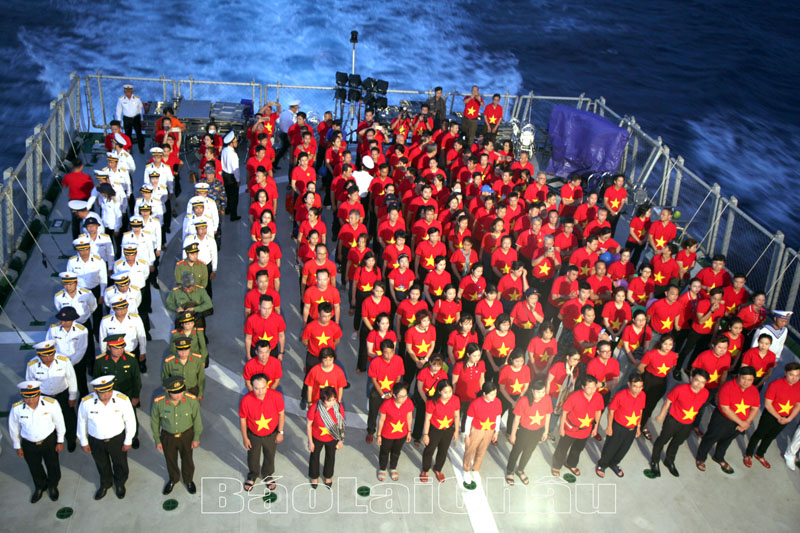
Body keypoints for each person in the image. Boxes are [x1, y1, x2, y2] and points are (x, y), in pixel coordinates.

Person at [77, 375, 136, 500]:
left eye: (109, 391)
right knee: (101, 463)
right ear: (95, 391)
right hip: (96, 440)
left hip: (117, 439)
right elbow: (82, 422)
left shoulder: (122, 400)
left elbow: (130, 420)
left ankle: (120, 483)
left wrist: (128, 440)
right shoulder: (86, 402)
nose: (107, 395)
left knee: (120, 463)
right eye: (102, 392)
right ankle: (106, 483)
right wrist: (83, 441)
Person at [8, 380, 66, 503]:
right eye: (26, 397)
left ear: (39, 394)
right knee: (34, 467)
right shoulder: (17, 408)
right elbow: (14, 428)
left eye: (33, 396)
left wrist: (60, 441)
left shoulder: (51, 404)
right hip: (29, 443)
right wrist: (17, 445)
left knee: (53, 465)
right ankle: (40, 486)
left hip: (49, 441)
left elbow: (59, 423)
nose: (30, 400)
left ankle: (53, 485)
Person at [696, 366, 760, 474]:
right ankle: (701, 458)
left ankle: (719, 457)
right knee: (711, 438)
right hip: (722, 419)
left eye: (750, 380)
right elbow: (725, 408)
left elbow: (755, 408)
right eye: (744, 378)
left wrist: (747, 422)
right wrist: (742, 423)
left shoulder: (754, 391)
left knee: (727, 441)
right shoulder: (727, 387)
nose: (746, 382)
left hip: (740, 423)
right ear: (738, 376)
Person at [649, 368, 709, 477]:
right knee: (662, 440)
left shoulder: (705, 393)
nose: (699, 384)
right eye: (697, 380)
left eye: (702, 382)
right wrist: (662, 415)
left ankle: (669, 461)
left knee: (676, 443)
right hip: (673, 421)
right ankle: (655, 461)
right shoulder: (680, 389)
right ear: (691, 378)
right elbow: (668, 401)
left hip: (688, 423)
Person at [151, 376, 202, 495]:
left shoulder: (191, 400)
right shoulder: (159, 402)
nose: (179, 395)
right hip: (168, 436)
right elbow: (155, 422)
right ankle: (173, 479)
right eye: (175, 393)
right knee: (170, 459)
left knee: (187, 459)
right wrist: (157, 440)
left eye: (181, 391)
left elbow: (197, 420)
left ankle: (188, 480)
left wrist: (196, 437)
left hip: (186, 435)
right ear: (168, 391)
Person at [25, 341, 77, 452]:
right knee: (49, 419)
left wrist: (72, 396)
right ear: (39, 355)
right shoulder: (32, 365)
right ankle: (55, 441)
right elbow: (30, 383)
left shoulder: (64, 361)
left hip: (63, 394)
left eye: (51, 354)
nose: (49, 358)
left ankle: (71, 439)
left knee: (69, 418)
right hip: (45, 397)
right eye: (45, 356)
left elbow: (71, 378)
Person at [745, 362, 800, 468]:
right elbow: (768, 404)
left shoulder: (799, 387)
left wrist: (789, 419)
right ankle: (748, 454)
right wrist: (779, 417)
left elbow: (798, 405)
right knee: (759, 434)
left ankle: (760, 454)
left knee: (771, 437)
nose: (794, 378)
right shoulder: (775, 384)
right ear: (786, 373)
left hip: (786, 418)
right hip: (771, 415)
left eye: (797, 375)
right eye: (791, 375)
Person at [239, 373, 285, 492]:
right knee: (253, 457)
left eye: (263, 388)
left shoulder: (276, 396)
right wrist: (245, 437)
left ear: (267, 385)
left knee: (270, 455)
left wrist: (280, 432)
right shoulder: (246, 400)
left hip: (271, 434)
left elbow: (281, 414)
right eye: (256, 388)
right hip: (253, 435)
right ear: (251, 386)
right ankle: (252, 475)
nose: (260, 391)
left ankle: (267, 475)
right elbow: (243, 419)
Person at [551, 375, 604, 477]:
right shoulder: (574, 397)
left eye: (594, 387)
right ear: (583, 387)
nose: (592, 390)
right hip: (571, 429)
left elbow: (598, 411)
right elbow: (564, 412)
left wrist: (595, 427)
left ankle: (571, 464)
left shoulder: (598, 397)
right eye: (589, 387)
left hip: (585, 430)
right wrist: (561, 428)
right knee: (562, 448)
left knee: (577, 449)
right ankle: (556, 466)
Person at [596, 373, 645, 477]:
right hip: (618, 427)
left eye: (640, 387)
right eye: (635, 386)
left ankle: (614, 463)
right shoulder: (620, 395)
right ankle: (602, 464)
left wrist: (638, 427)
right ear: (629, 384)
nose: (638, 390)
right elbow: (611, 411)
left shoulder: (643, 395)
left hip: (632, 428)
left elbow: (640, 411)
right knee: (610, 447)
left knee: (624, 449)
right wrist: (609, 427)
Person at [505, 379, 551, 486]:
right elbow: (516, 419)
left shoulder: (547, 399)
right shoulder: (523, 401)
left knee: (528, 452)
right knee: (516, 451)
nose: (541, 395)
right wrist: (513, 434)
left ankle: (520, 470)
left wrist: (546, 431)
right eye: (538, 392)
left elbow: (548, 414)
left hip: (537, 431)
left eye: (543, 392)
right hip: (523, 431)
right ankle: (510, 471)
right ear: (532, 390)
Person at [637, 334, 678, 439]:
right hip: (648, 380)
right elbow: (641, 368)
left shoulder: (673, 356)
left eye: (670, 344)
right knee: (640, 403)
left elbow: (670, 368)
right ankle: (634, 422)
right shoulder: (651, 354)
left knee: (651, 406)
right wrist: (643, 380)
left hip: (661, 383)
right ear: (661, 343)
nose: (667, 347)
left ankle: (643, 425)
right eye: (665, 344)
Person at [420, 380, 461, 483]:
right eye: (445, 392)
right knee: (429, 450)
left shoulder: (455, 400)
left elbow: (456, 416)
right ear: (439, 391)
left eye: (450, 391)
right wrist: (425, 434)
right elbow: (427, 419)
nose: (448, 395)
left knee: (443, 450)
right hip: (434, 430)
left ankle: (438, 469)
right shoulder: (432, 402)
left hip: (448, 430)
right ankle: (425, 470)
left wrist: (456, 430)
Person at [462, 381, 502, 485]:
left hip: (489, 431)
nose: (494, 396)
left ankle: (476, 469)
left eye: (495, 394)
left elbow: (498, 417)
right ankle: (466, 470)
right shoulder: (475, 403)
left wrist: (496, 432)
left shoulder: (497, 402)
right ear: (484, 393)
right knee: (470, 450)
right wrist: (467, 435)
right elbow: (468, 420)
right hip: (476, 430)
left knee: (482, 451)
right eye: (491, 394)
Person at [367, 340, 406, 442]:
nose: (389, 355)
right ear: (382, 352)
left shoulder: (399, 360)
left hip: (392, 391)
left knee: (390, 414)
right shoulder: (375, 362)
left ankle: (385, 432)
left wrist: (392, 392)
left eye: (391, 352)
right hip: (378, 391)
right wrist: (382, 394)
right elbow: (374, 380)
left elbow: (399, 377)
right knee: (373, 412)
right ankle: (370, 431)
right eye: (386, 352)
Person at [307, 386, 345, 489]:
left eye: (334, 400)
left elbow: (341, 424)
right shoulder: (315, 408)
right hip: (317, 437)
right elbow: (309, 425)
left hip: (332, 438)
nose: (332, 403)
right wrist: (310, 441)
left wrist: (341, 440)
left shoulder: (338, 407)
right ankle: (314, 476)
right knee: (314, 456)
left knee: (330, 456)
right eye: (329, 401)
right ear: (323, 400)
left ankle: (328, 476)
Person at [377, 382, 414, 481]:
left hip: (402, 434)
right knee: (384, 452)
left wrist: (409, 431)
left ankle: (393, 467)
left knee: (396, 452)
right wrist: (379, 435)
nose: (404, 398)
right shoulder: (386, 404)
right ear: (394, 395)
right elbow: (381, 420)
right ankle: (382, 468)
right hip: (387, 434)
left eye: (406, 395)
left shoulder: (409, 402)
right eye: (401, 396)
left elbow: (409, 417)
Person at [115, 84, 144, 153]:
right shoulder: (121, 99)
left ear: (132, 91)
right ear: (124, 92)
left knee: (139, 133)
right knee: (128, 134)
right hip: (127, 118)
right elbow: (118, 109)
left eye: (129, 92)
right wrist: (119, 119)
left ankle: (141, 148)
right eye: (126, 92)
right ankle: (129, 149)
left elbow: (141, 109)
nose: (128, 93)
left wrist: (142, 118)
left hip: (136, 118)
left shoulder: (137, 99)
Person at [221, 131, 241, 221]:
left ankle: (227, 210)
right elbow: (235, 169)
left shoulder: (224, 150)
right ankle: (233, 215)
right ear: (231, 143)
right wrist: (238, 180)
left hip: (225, 175)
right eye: (235, 142)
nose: (237, 143)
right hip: (232, 177)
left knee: (228, 195)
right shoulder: (233, 154)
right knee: (234, 197)